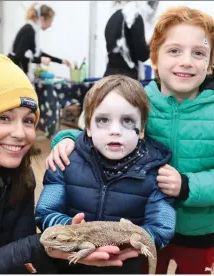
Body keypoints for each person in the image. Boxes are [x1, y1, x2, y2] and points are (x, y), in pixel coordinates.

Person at [45, 6, 214, 274]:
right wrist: (66, 139)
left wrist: (187, 185)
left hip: (199, 232)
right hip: (141, 225)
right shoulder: (137, 100)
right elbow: (98, 130)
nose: (186, 61)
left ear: (210, 62)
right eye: (174, 50)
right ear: (154, 58)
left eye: (199, 53)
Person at [0, 52, 126, 274]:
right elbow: (23, 249)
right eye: (3, 118)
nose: (20, 133)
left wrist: (63, 253)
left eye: (28, 120)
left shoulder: (21, 177)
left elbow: (22, 259)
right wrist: (37, 245)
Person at [35, 75, 176, 274]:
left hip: (125, 265)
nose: (115, 130)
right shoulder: (64, 160)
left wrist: (128, 243)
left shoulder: (158, 172)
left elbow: (162, 228)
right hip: (69, 265)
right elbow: (45, 212)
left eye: (127, 120)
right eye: (103, 120)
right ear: (89, 127)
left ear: (142, 129)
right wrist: (70, 229)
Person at [8, 2, 71, 76]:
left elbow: (39, 54)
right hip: (14, 74)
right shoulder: (28, 30)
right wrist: (40, 60)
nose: (50, 25)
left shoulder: (32, 30)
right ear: (42, 19)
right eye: (50, 21)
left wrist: (62, 61)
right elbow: (19, 56)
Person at [104, 1, 153, 79]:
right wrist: (153, 42)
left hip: (109, 77)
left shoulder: (113, 18)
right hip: (126, 79)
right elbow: (142, 55)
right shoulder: (133, 16)